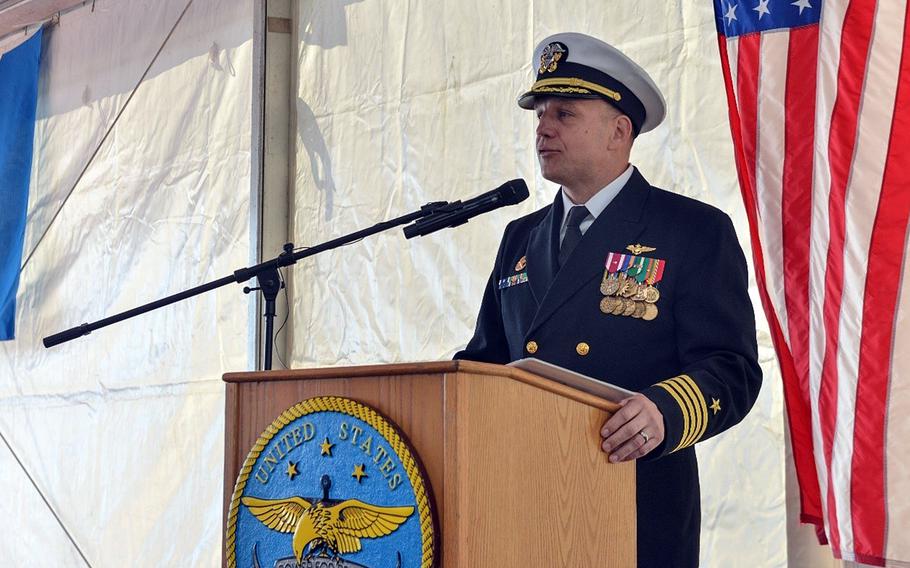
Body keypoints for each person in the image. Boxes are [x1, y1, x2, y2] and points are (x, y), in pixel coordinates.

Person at [454, 32, 762, 567]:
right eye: (540, 114)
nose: (543, 128)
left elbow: (731, 368)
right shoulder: (520, 237)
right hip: (519, 505)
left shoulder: (691, 231)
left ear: (620, 131)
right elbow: (487, 358)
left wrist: (665, 411)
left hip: (631, 501)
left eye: (565, 114)